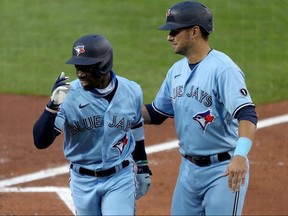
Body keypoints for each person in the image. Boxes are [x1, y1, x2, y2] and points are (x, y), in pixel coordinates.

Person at [142, 1, 258, 215]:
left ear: (194, 31)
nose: (169, 37)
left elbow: (247, 114)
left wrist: (240, 156)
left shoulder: (223, 69)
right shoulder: (176, 71)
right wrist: (117, 108)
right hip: (188, 171)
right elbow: (157, 113)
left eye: (174, 31)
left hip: (222, 171)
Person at [33, 34, 152, 215]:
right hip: (82, 181)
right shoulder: (68, 95)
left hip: (119, 178)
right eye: (78, 67)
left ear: (103, 65)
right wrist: (52, 107)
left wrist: (142, 165)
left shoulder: (131, 91)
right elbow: (40, 141)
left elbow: (135, 125)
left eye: (86, 67)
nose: (80, 73)